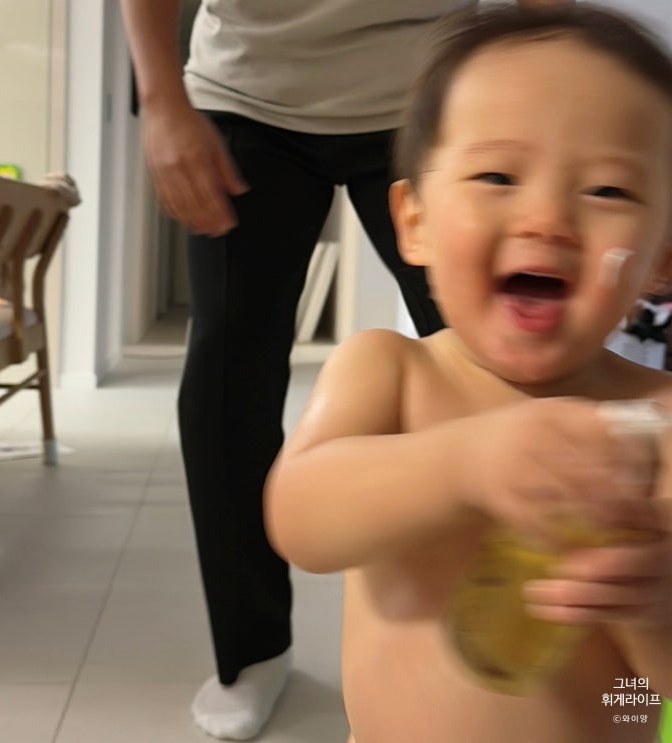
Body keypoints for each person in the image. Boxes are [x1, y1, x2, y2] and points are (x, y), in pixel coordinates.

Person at [119, 0, 573, 739]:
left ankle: (511, 629)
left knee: (499, 367)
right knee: (226, 380)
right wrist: (163, 103)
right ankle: (252, 651)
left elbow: (544, 10)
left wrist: (549, 117)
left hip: (428, 92)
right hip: (248, 91)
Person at [265, 5, 672, 743]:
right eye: (497, 175)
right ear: (413, 222)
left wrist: (654, 611)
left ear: (660, 258)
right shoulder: (389, 371)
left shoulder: (659, 425)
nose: (546, 218)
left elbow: (646, 696)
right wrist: (466, 462)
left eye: (608, 190)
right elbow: (299, 519)